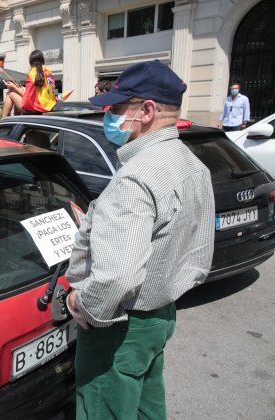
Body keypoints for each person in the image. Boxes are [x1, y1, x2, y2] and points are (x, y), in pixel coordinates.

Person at [65, 60, 215, 419]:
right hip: (160, 316)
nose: (108, 115)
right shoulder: (193, 164)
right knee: (148, 406)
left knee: (105, 409)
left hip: (120, 326)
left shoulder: (135, 178)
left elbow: (116, 277)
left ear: (146, 110)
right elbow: (192, 244)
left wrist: (82, 304)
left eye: (116, 108)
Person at [2, 50, 56, 117]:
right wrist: (24, 89)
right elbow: (41, 93)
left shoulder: (32, 73)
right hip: (49, 107)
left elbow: (27, 98)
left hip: (35, 108)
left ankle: (3, 119)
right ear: (42, 60)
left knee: (10, 93)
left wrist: (14, 87)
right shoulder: (49, 73)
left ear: (30, 62)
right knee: (15, 91)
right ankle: (16, 117)